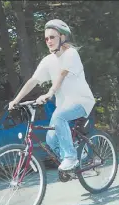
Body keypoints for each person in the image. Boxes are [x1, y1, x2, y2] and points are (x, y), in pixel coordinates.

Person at [8, 19, 95, 171]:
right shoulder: (48, 60)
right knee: (50, 140)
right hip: (63, 106)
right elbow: (33, 80)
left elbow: (62, 74)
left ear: (62, 37)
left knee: (59, 117)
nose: (48, 41)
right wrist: (16, 100)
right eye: (46, 38)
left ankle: (71, 157)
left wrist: (50, 92)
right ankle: (74, 163)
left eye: (52, 37)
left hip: (82, 102)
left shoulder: (71, 54)